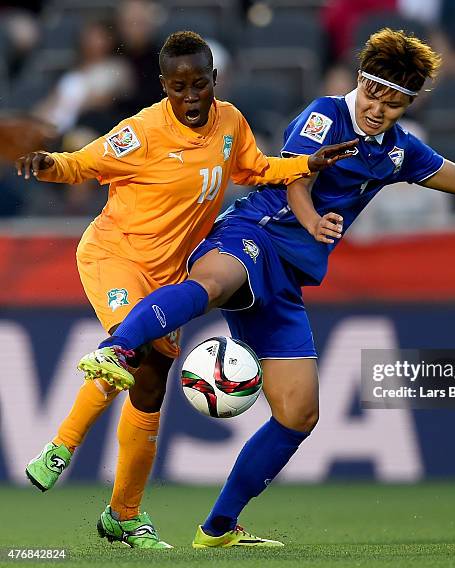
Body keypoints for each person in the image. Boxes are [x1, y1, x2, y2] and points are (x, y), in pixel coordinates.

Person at [76, 28, 455, 548]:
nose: (378, 110)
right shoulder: (326, 114)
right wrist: (314, 219)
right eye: (373, 95)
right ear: (359, 83)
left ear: (407, 104)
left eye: (393, 104)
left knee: (299, 413)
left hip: (287, 279)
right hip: (253, 232)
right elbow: (295, 176)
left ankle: (218, 528)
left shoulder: (398, 150)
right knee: (213, 282)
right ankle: (119, 344)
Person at [16, 30, 357, 549]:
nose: (191, 96)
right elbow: (84, 162)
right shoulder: (142, 131)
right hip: (117, 256)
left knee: (151, 383)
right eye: (179, 87)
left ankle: (124, 516)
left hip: (169, 273)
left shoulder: (230, 121)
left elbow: (257, 169)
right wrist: (49, 164)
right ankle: (62, 446)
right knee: (126, 355)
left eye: (200, 84)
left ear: (214, 80)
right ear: (163, 87)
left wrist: (306, 165)